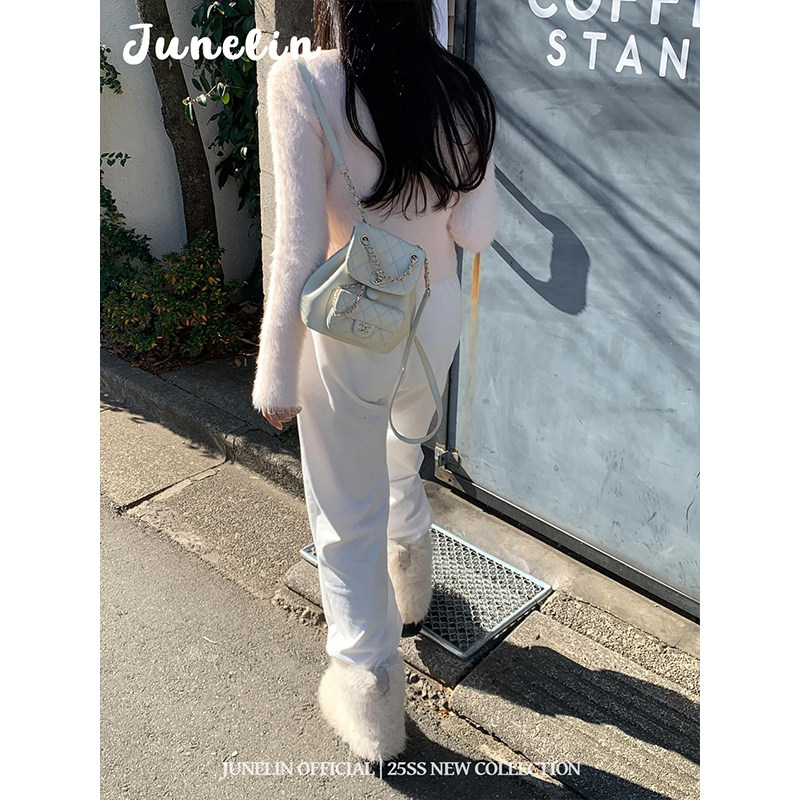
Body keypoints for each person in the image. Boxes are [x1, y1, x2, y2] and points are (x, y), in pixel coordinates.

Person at [251, 0, 498, 763]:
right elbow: (477, 230)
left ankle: (369, 691)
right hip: (435, 312)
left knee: (344, 507)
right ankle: (412, 578)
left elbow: (297, 244)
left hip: (354, 322)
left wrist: (275, 373)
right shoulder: (462, 88)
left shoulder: (302, 82)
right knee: (402, 452)